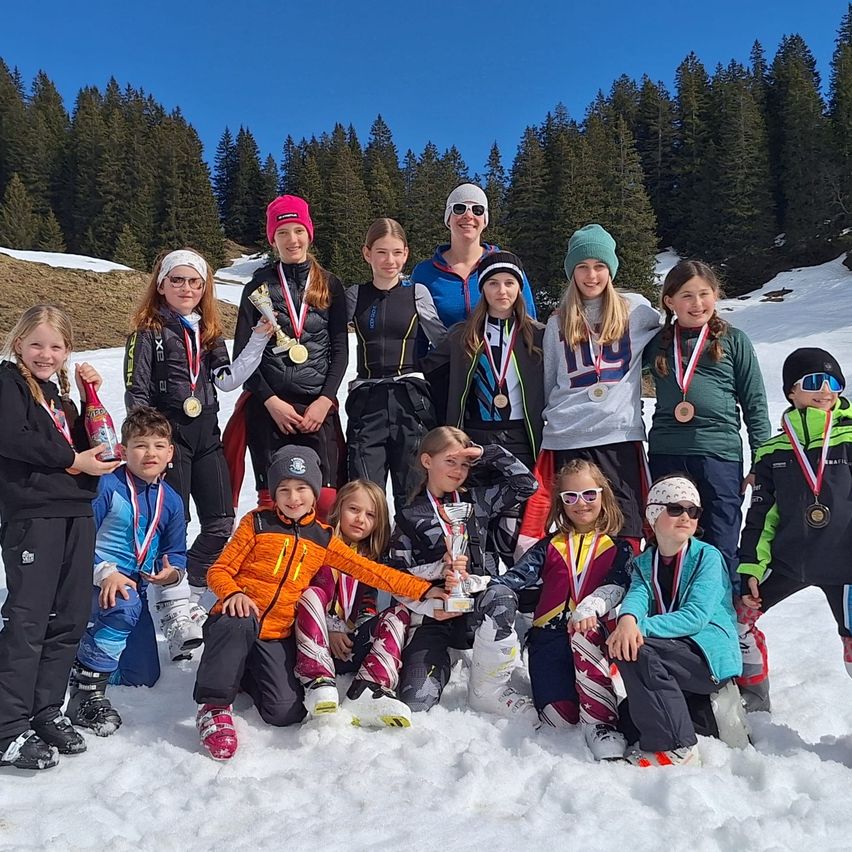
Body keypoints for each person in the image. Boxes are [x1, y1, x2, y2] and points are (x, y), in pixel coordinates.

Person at [192, 446, 445, 760]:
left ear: (315, 495)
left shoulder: (322, 538)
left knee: (286, 712)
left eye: (301, 489)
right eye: (284, 489)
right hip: (238, 617)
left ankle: (240, 672)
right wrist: (233, 593)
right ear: (274, 493)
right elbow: (218, 570)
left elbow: (375, 572)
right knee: (238, 621)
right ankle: (214, 706)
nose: (293, 497)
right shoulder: (256, 524)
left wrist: (423, 590)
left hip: (277, 636)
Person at [125, 247, 273, 658]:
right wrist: (151, 446)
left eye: (195, 281)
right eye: (178, 280)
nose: (186, 288)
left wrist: (258, 340)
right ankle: (174, 614)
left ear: (204, 287)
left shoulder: (207, 331)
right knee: (173, 524)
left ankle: (184, 593)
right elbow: (136, 392)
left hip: (207, 432)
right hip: (168, 435)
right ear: (161, 284)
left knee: (221, 522)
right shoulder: (147, 331)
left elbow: (226, 381)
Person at [0, 305, 120, 771]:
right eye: (36, 344)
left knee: (70, 616)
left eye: (56, 346)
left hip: (76, 512)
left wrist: (91, 393)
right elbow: (13, 437)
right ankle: (8, 726)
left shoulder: (62, 398)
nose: (45, 354)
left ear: (68, 351)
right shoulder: (8, 384)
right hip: (33, 515)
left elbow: (98, 440)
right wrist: (73, 462)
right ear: (18, 344)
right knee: (28, 620)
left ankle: (45, 709)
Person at [517, 224, 660, 555]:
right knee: (576, 528)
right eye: (582, 266)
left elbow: (668, 337)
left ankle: (622, 598)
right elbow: (553, 379)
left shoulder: (636, 310)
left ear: (610, 269)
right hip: (570, 435)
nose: (591, 275)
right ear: (572, 271)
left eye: (599, 266)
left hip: (618, 436)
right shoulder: (559, 321)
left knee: (626, 523)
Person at [388, 426, 539, 719]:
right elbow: (395, 576)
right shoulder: (409, 517)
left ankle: (488, 689)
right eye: (450, 461)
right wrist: (434, 587)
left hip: (478, 611)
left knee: (502, 595)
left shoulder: (478, 501)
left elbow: (527, 484)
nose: (458, 471)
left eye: (465, 464)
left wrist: (485, 453)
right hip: (434, 616)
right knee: (416, 702)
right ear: (427, 461)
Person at [489, 459, 632, 760]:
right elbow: (518, 576)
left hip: (594, 637)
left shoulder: (619, 548)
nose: (581, 504)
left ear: (603, 495)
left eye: (589, 495)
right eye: (571, 497)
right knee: (560, 717)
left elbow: (621, 584)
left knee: (588, 649)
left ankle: (601, 723)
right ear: (561, 503)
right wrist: (482, 583)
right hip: (549, 639)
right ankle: (579, 698)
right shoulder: (549, 545)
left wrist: (594, 607)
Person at [737, 349, 852, 713]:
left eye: (835, 383)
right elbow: (761, 516)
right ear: (791, 392)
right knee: (737, 623)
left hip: (846, 567)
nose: (826, 391)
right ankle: (752, 709)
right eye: (815, 382)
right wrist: (752, 566)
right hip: (789, 562)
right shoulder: (773, 450)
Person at [607, 476, 745, 767]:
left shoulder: (707, 556)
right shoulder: (646, 562)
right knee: (627, 719)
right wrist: (628, 620)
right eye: (675, 508)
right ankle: (687, 720)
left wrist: (636, 628)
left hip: (707, 656)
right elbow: (637, 596)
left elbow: (695, 617)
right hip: (673, 656)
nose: (686, 516)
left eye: (692, 510)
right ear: (654, 515)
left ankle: (677, 748)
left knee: (637, 649)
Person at [645, 260, 770, 581]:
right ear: (669, 301)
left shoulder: (734, 340)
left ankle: (721, 621)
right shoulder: (656, 342)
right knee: (669, 542)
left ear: (716, 296)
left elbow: (754, 403)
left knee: (721, 541)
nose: (697, 304)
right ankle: (667, 618)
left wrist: (761, 461)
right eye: (686, 296)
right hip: (666, 455)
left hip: (720, 456)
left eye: (704, 294)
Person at [67, 408, 188, 737]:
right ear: (123, 450)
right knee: (124, 603)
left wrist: (171, 574)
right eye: (141, 445)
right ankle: (86, 690)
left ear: (170, 453)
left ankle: (78, 652)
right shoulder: (108, 484)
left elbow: (176, 554)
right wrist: (104, 571)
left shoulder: (172, 500)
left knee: (142, 675)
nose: (150, 453)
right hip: (94, 583)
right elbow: (77, 540)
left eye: (159, 445)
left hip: (135, 593)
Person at [345, 218, 446, 514]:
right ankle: (366, 559)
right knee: (365, 496)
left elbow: (440, 340)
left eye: (397, 252)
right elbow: (329, 340)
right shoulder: (355, 296)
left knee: (412, 493)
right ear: (367, 254)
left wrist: (424, 370)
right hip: (368, 400)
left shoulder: (417, 293)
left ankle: (410, 558)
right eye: (381, 252)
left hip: (409, 401)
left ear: (406, 253)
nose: (390, 261)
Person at [294, 480, 414, 727]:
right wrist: (331, 627)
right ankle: (317, 681)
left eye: (370, 515)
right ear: (338, 509)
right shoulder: (319, 547)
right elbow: (299, 594)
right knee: (313, 594)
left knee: (398, 614)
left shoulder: (367, 559)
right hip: (312, 641)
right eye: (354, 510)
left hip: (345, 645)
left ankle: (369, 688)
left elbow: (366, 603)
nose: (361, 519)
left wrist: (360, 629)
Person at [410, 183, 538, 328]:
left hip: (501, 350)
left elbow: (528, 321)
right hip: (445, 350)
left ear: (484, 220)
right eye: (459, 208)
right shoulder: (425, 272)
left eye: (477, 210)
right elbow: (416, 333)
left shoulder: (506, 266)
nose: (468, 216)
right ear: (448, 218)